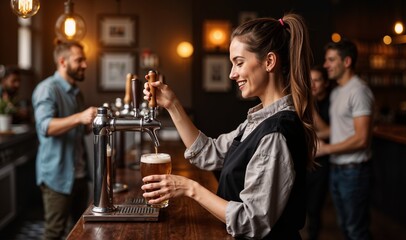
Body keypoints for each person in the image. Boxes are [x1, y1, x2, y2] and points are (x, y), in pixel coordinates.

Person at [142, 13, 317, 239]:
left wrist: (189, 188)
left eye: (239, 63)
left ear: (269, 61)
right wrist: (172, 104)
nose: (232, 74)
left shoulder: (275, 133)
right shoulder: (258, 121)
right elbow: (208, 152)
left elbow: (251, 221)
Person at [32, 40, 97, 240]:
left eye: (84, 60)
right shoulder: (47, 89)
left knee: (80, 230)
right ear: (63, 61)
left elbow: (78, 130)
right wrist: (79, 117)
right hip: (57, 177)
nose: (85, 64)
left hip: (79, 174)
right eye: (79, 60)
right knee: (54, 233)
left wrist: (90, 123)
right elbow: (46, 127)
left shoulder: (77, 93)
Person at [316, 39, 374, 240]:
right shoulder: (338, 91)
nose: (326, 65)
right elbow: (338, 129)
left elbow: (361, 139)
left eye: (331, 60)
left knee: (356, 230)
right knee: (345, 227)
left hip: (354, 172)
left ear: (347, 61)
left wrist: (325, 149)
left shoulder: (359, 91)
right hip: (337, 169)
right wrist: (311, 138)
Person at [305, 65, 331, 240]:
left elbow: (331, 131)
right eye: (310, 80)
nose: (312, 84)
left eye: (317, 80)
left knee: (315, 207)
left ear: (326, 83)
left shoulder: (332, 103)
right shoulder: (305, 102)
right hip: (306, 159)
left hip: (324, 161)